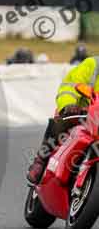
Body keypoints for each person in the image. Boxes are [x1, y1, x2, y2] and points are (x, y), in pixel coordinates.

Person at [27, 55, 99, 184]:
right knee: (63, 122)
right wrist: (68, 104)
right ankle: (41, 161)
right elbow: (69, 86)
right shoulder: (93, 64)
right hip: (81, 114)